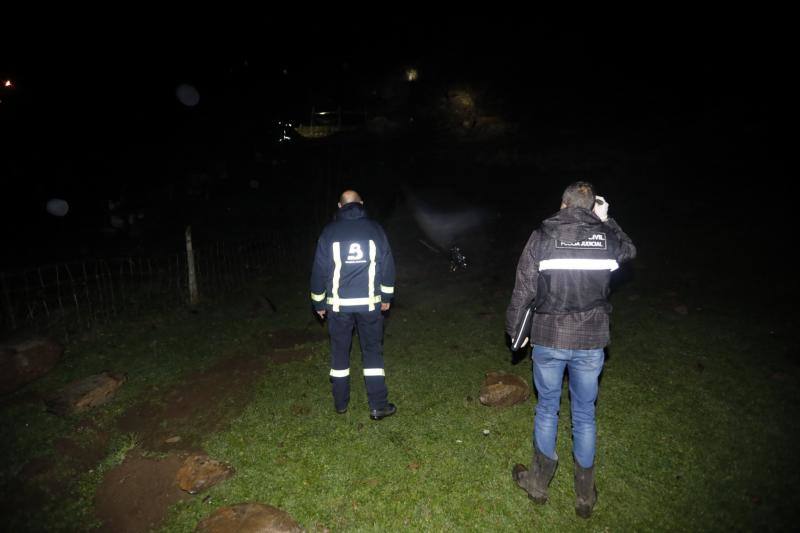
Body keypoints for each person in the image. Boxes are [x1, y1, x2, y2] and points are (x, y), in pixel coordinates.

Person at [506, 181, 636, 518]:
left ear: (563, 204)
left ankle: (538, 483)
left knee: (547, 409)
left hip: (549, 337)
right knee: (585, 415)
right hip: (591, 340)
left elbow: (523, 287)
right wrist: (607, 220)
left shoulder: (543, 234)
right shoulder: (605, 236)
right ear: (592, 206)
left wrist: (514, 332)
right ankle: (584, 496)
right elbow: (628, 251)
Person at [310, 190, 397, 420]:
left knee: (340, 353)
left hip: (338, 308)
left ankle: (340, 403)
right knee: (372, 353)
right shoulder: (375, 229)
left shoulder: (329, 232)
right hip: (370, 306)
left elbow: (319, 270)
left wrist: (319, 301)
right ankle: (378, 405)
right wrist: (386, 297)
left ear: (340, 206)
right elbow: (388, 265)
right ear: (361, 204)